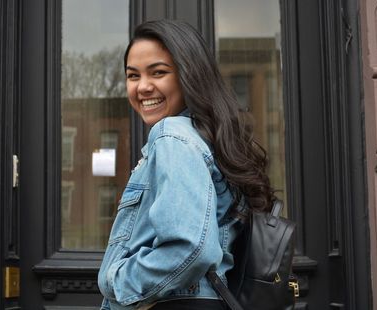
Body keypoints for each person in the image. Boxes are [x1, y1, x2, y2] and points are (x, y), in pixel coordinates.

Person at [97, 19, 273, 310]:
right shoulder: (207, 138)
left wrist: (115, 281)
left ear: (188, 75)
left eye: (159, 72)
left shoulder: (173, 135)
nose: (142, 87)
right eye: (132, 75)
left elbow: (190, 248)